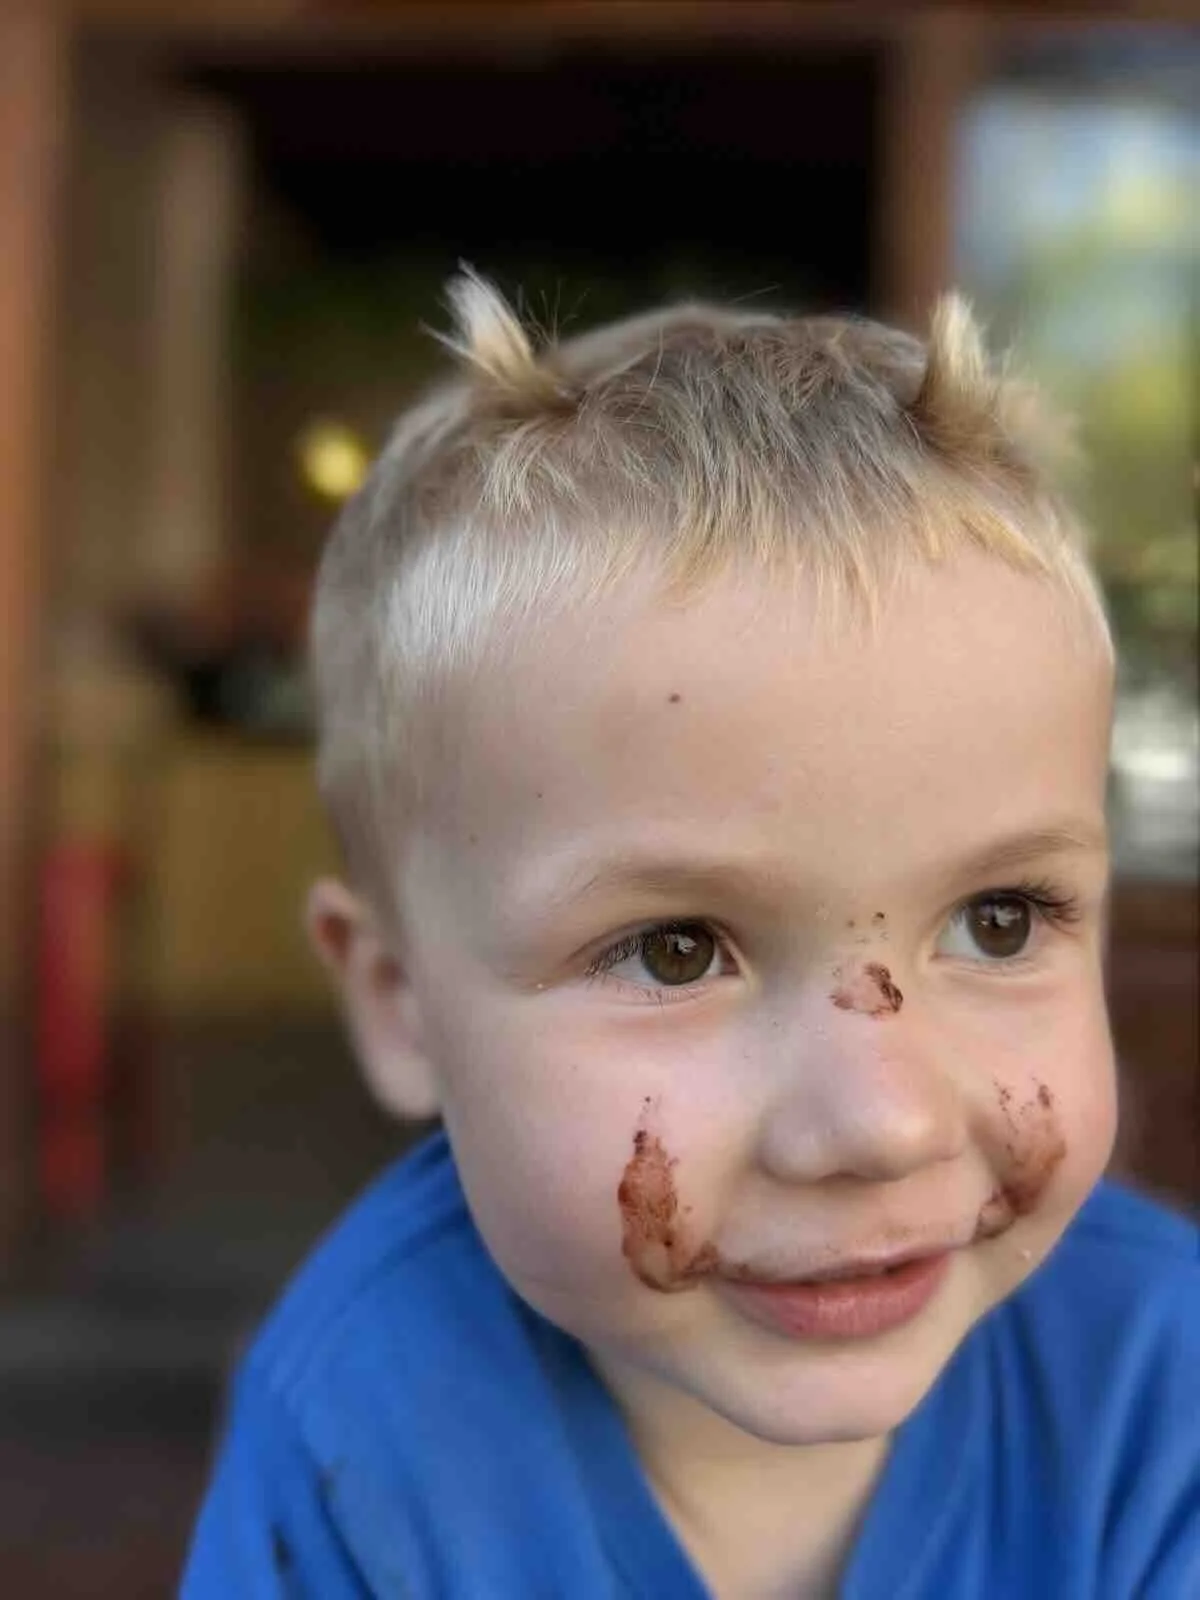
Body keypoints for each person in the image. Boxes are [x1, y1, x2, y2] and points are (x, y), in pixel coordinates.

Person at [181, 272, 1198, 1598]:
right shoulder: (357, 1442)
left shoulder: (1161, 1390)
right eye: (673, 950)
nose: (881, 1123)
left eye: (1000, 921)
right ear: (398, 1001)